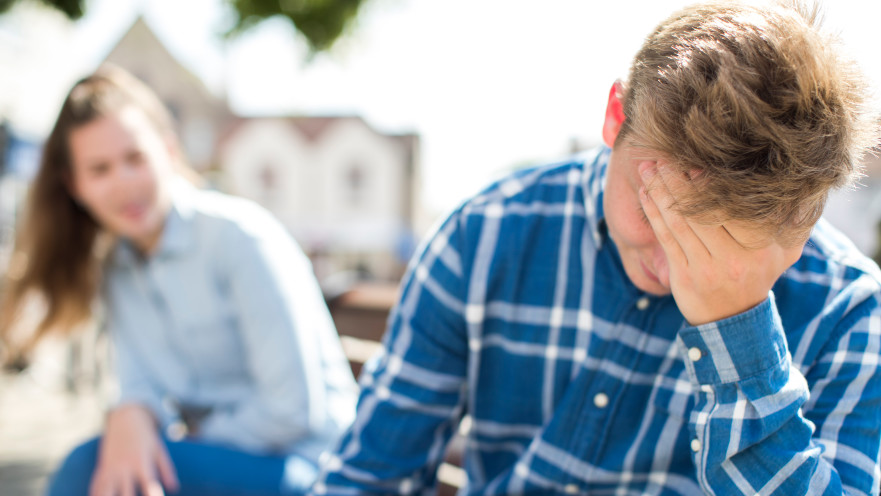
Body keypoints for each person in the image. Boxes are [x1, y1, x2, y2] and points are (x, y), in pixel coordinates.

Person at [313, 1, 881, 494]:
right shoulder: (484, 237)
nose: (675, 269)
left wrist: (740, 334)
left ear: (802, 221)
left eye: (723, 242)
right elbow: (370, 475)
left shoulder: (847, 310)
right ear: (616, 115)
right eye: (656, 209)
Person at [0, 66, 358, 496]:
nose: (123, 183)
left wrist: (171, 444)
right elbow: (138, 385)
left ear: (168, 152)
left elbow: (293, 411)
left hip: (313, 468)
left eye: (135, 159)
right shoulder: (117, 267)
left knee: (91, 468)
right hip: (216, 464)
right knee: (109, 466)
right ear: (74, 186)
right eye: (100, 170)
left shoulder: (241, 238)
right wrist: (130, 415)